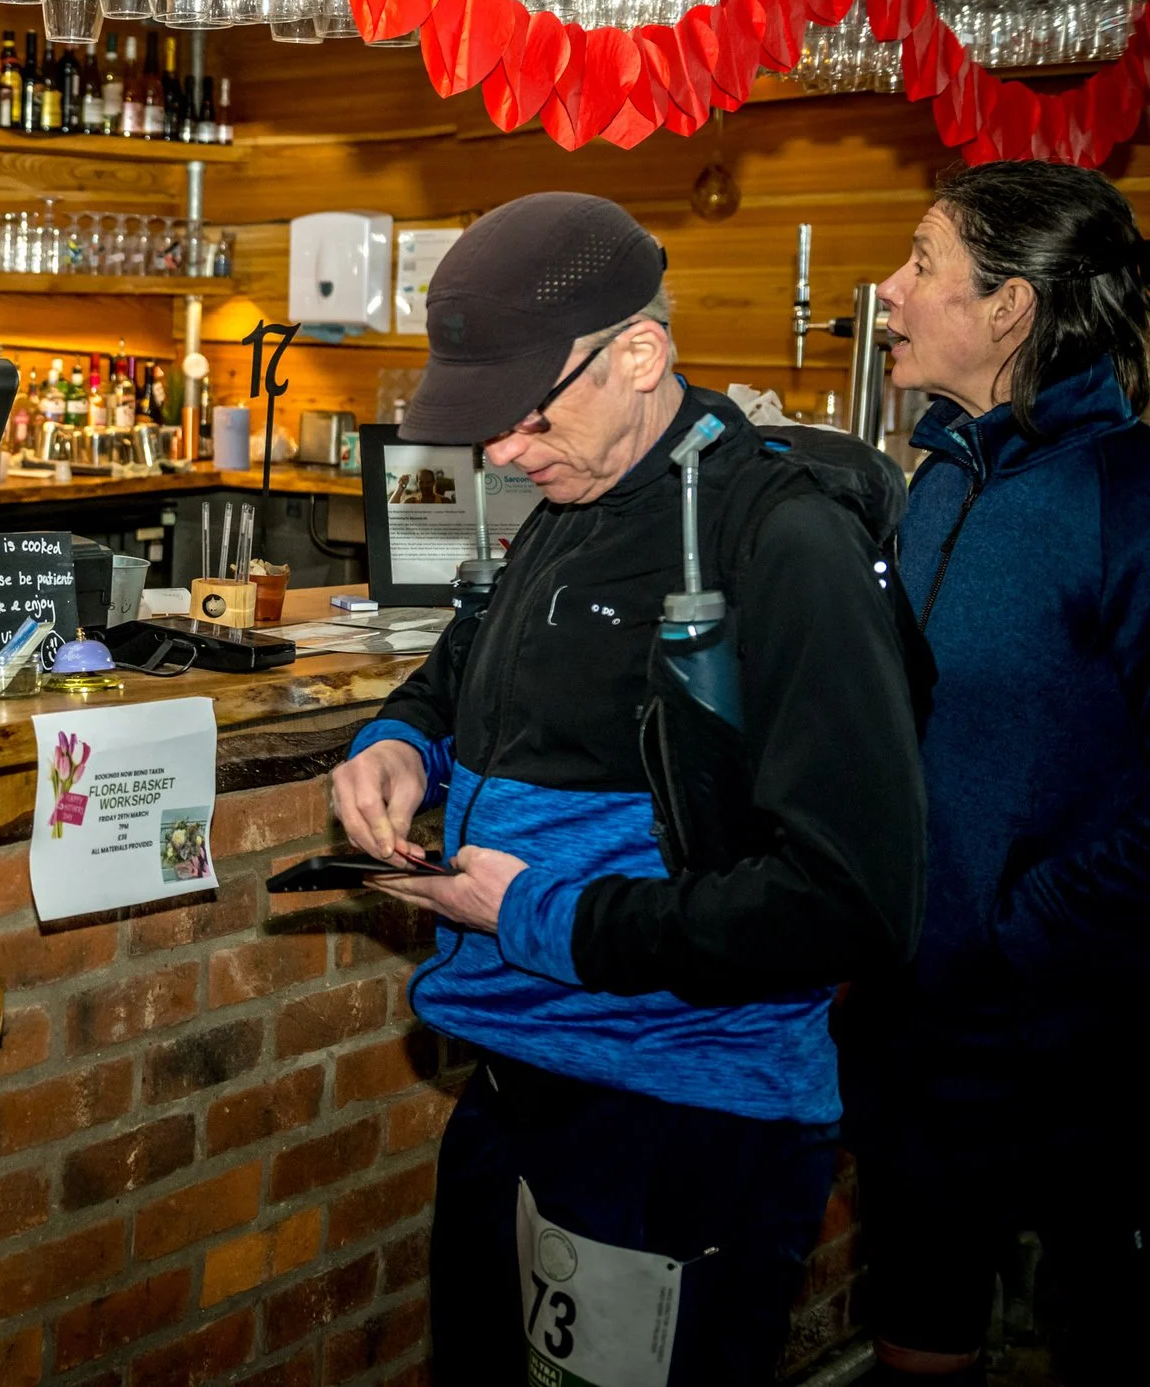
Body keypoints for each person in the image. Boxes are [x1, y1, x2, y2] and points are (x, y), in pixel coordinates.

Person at [327, 193, 926, 1385]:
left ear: (637, 355)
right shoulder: (574, 486)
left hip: (679, 1117)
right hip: (517, 1080)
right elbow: (463, 668)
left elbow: (847, 899)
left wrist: (535, 912)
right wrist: (400, 738)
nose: (500, 451)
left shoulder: (781, 542)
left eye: (523, 413)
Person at [848, 162, 1150, 1387]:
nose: (889, 289)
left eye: (922, 261)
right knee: (918, 1320)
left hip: (1083, 1031)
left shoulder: (1124, 498)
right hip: (917, 1025)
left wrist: (1020, 930)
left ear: (1011, 307)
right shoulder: (934, 484)